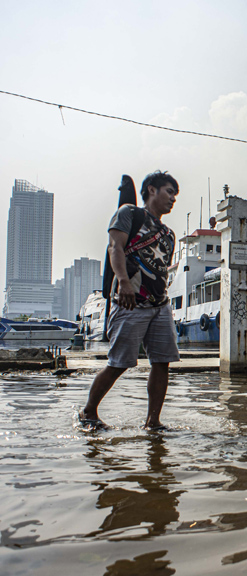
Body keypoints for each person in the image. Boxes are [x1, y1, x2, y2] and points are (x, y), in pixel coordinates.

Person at [79, 171, 180, 430]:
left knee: (162, 363)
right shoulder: (129, 214)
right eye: (169, 191)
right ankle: (89, 412)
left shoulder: (169, 234)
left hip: (160, 305)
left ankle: (153, 421)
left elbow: (161, 270)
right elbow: (115, 247)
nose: (173, 199)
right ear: (151, 190)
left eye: (175, 195)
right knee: (119, 363)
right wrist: (123, 282)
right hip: (130, 302)